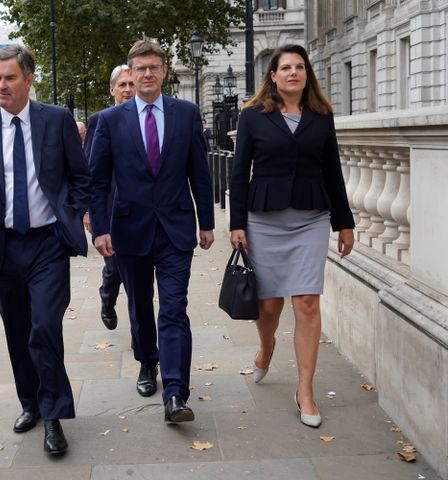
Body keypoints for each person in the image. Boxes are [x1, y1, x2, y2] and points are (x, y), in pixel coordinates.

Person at [0, 45, 91, 454]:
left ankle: (54, 415)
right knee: (18, 331)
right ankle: (30, 403)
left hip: (48, 244)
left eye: (9, 78)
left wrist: (72, 214)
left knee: (45, 327)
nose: (0, 85)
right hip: (2, 247)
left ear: (29, 80)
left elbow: (80, 177)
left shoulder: (57, 120)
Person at [229, 44, 355, 428]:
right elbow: (238, 174)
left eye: (300, 67)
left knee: (306, 303)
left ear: (307, 74)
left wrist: (344, 222)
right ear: (273, 75)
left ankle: (305, 391)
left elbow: (332, 170)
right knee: (269, 307)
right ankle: (266, 348)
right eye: (285, 67)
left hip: (311, 219)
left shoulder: (321, 116)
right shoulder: (252, 117)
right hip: (264, 221)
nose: (293, 73)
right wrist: (236, 224)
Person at [89, 38, 215, 423]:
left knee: (175, 308)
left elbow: (199, 169)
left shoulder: (186, 113)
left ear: (163, 71)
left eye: (153, 67)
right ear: (130, 72)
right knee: (140, 304)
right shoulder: (110, 120)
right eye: (139, 68)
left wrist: (206, 221)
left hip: (175, 226)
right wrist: (100, 228)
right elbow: (97, 179)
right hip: (129, 229)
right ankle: (147, 361)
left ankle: (176, 392)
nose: (146, 74)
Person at [82, 64, 135, 330]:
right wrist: (88, 211)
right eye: (122, 85)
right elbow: (88, 171)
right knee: (114, 267)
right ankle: (107, 298)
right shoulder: (98, 120)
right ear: (112, 89)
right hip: (109, 208)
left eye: (131, 84)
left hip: (138, 209)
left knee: (136, 275)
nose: (127, 90)